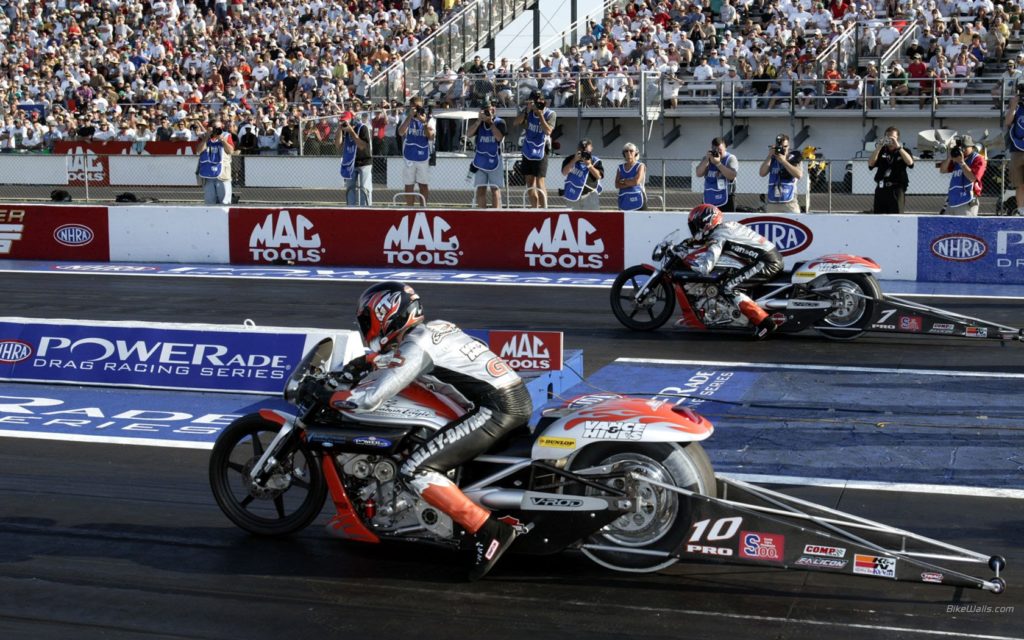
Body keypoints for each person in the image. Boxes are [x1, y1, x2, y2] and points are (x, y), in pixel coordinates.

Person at [334, 282, 533, 580]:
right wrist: (366, 361)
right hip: (512, 399)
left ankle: (489, 530)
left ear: (385, 315)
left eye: (366, 320)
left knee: (414, 469)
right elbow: (404, 361)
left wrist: (333, 397)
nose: (365, 327)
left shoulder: (416, 345)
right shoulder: (434, 329)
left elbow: (370, 399)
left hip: (495, 409)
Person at [680, 204, 784, 340]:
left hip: (766, 262)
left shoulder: (718, 236)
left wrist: (684, 257)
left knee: (728, 288)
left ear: (706, 222)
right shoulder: (726, 226)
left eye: (696, 225)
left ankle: (765, 323)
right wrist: (690, 242)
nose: (694, 229)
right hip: (769, 257)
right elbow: (708, 241)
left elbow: (706, 268)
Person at [515, 92, 556, 208]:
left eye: (540, 100)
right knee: (529, 182)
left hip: (541, 150)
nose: (538, 103)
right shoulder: (528, 112)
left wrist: (540, 115)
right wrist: (526, 111)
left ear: (544, 101)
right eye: (535, 101)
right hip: (528, 149)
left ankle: (544, 209)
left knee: (540, 182)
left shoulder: (550, 114)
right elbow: (516, 122)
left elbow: (548, 131)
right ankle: (534, 208)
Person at [466, 102, 506, 208]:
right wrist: (478, 121)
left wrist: (491, 123)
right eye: (485, 110)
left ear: (494, 109)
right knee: (480, 189)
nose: (488, 112)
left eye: (489, 109)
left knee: (495, 189)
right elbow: (468, 134)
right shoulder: (479, 124)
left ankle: (495, 214)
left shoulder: (500, 122)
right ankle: (482, 213)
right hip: (480, 160)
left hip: (495, 159)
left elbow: (499, 138)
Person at [867, 127, 914, 213]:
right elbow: (870, 164)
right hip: (881, 189)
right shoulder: (881, 151)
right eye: (888, 137)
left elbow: (910, 163)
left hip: (896, 189)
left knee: (896, 216)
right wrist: (879, 147)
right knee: (879, 216)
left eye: (893, 137)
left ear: (897, 138)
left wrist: (899, 147)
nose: (890, 140)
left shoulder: (904, 151)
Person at [398, 97, 435, 206]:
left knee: (423, 184)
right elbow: (401, 132)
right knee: (408, 185)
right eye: (412, 107)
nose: (415, 109)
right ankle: (410, 209)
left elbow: (430, 137)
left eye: (417, 107)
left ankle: (423, 208)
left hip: (423, 157)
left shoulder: (429, 119)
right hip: (409, 156)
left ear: (422, 106)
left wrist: (424, 123)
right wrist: (410, 116)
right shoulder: (406, 117)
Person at [939, 135, 986, 216]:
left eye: (964, 147)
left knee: (965, 224)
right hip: (953, 201)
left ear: (972, 147)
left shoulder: (978, 159)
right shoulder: (957, 158)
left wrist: (962, 163)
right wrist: (949, 157)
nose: (962, 150)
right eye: (960, 147)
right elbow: (942, 170)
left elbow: (973, 178)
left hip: (967, 201)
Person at [758, 134, 803, 214]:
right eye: (780, 147)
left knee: (794, 221)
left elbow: (799, 175)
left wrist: (784, 161)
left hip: (789, 202)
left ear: (789, 146)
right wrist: (769, 156)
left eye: (785, 146)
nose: (783, 149)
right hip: (772, 202)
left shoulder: (794, 159)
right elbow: (762, 173)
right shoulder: (772, 159)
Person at [336, 112, 373, 206]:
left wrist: (351, 131)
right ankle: (350, 208)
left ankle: (366, 209)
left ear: (352, 119)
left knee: (365, 187)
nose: (344, 123)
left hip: (364, 161)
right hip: (350, 162)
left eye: (345, 121)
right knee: (350, 188)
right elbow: (338, 145)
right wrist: (339, 129)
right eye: (341, 121)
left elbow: (362, 146)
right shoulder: (344, 129)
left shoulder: (363, 128)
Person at [196, 120, 235, 205]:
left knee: (225, 201)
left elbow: (230, 151)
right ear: (209, 128)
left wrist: (222, 139)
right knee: (209, 202)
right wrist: (206, 137)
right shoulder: (204, 136)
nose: (216, 129)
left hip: (222, 174)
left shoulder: (226, 135)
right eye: (214, 127)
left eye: (219, 127)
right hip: (208, 174)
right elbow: (199, 151)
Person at [696, 137, 738, 212]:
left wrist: (718, 164)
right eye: (715, 150)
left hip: (726, 199)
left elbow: (732, 176)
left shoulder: (730, 158)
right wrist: (707, 159)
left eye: (720, 150)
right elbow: (698, 173)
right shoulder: (707, 159)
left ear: (725, 148)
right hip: (709, 197)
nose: (717, 152)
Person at [561, 139, 604, 210]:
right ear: (577, 149)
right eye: (582, 149)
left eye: (586, 150)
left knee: (592, 216)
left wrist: (589, 165)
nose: (584, 152)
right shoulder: (570, 159)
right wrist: (574, 160)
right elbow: (564, 172)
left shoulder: (595, 161)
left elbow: (598, 176)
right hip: (572, 194)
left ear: (591, 148)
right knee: (573, 216)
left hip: (590, 196)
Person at [1003, 85, 1024, 215]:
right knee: (1019, 183)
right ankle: (1021, 210)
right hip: (1017, 150)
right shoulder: (1017, 108)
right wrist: (1013, 106)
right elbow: (1008, 122)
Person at [615, 142, 646, 211]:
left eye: (631, 151)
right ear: (624, 154)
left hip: (638, 197)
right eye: (626, 151)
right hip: (624, 199)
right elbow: (617, 184)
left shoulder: (640, 166)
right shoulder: (620, 168)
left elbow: (636, 182)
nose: (628, 153)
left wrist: (623, 181)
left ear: (635, 153)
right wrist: (630, 182)